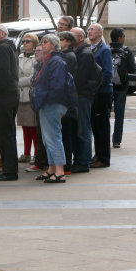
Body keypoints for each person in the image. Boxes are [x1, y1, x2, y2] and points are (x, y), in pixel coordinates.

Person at [34, 34, 74, 184]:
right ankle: (51, 169)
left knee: (53, 138)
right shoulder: (49, 60)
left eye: (46, 42)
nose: (42, 44)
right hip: (47, 103)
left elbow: (57, 86)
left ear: (54, 45)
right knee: (47, 138)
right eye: (42, 42)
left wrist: (43, 98)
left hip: (52, 103)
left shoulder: (56, 61)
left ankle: (59, 172)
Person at [0, 23, 19, 181]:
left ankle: (10, 170)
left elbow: (4, 72)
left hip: (5, 95)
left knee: (5, 134)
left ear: (2, 33)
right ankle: (9, 168)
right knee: (7, 133)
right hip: (9, 94)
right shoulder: (7, 47)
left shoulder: (2, 48)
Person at [70, 27, 98, 173]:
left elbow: (80, 78)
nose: (69, 39)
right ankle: (79, 159)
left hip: (83, 96)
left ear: (80, 37)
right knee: (79, 128)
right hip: (79, 95)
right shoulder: (79, 52)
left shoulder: (85, 54)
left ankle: (83, 161)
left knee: (83, 129)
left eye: (72, 36)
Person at [88, 23, 113, 168]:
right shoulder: (91, 48)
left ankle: (103, 158)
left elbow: (107, 73)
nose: (90, 32)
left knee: (102, 126)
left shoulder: (104, 50)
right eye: (89, 29)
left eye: (93, 29)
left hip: (102, 93)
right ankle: (97, 154)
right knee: (95, 126)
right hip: (93, 93)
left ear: (100, 33)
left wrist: (95, 86)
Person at [110, 28, 136, 148]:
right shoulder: (126, 51)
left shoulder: (106, 50)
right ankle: (116, 140)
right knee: (119, 114)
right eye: (124, 35)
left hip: (108, 86)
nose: (125, 37)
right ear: (120, 38)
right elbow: (133, 68)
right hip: (121, 86)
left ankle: (103, 138)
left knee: (104, 114)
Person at [25, 44, 48, 172]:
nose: (36, 52)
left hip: (43, 103)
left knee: (43, 134)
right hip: (37, 102)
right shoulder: (37, 65)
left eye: (39, 50)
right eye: (36, 50)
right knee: (38, 133)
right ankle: (41, 161)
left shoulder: (45, 65)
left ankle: (42, 162)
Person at [17, 33, 39, 164]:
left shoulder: (36, 58)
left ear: (34, 44)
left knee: (33, 126)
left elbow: (33, 77)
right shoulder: (19, 57)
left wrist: (17, 82)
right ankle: (26, 152)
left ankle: (36, 153)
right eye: (24, 41)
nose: (25, 43)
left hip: (30, 95)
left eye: (28, 41)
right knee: (25, 125)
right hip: (20, 96)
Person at [58, 31, 78, 174]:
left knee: (66, 134)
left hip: (67, 101)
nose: (59, 41)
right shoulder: (64, 56)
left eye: (62, 39)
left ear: (69, 41)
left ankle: (67, 164)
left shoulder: (68, 57)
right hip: (66, 100)